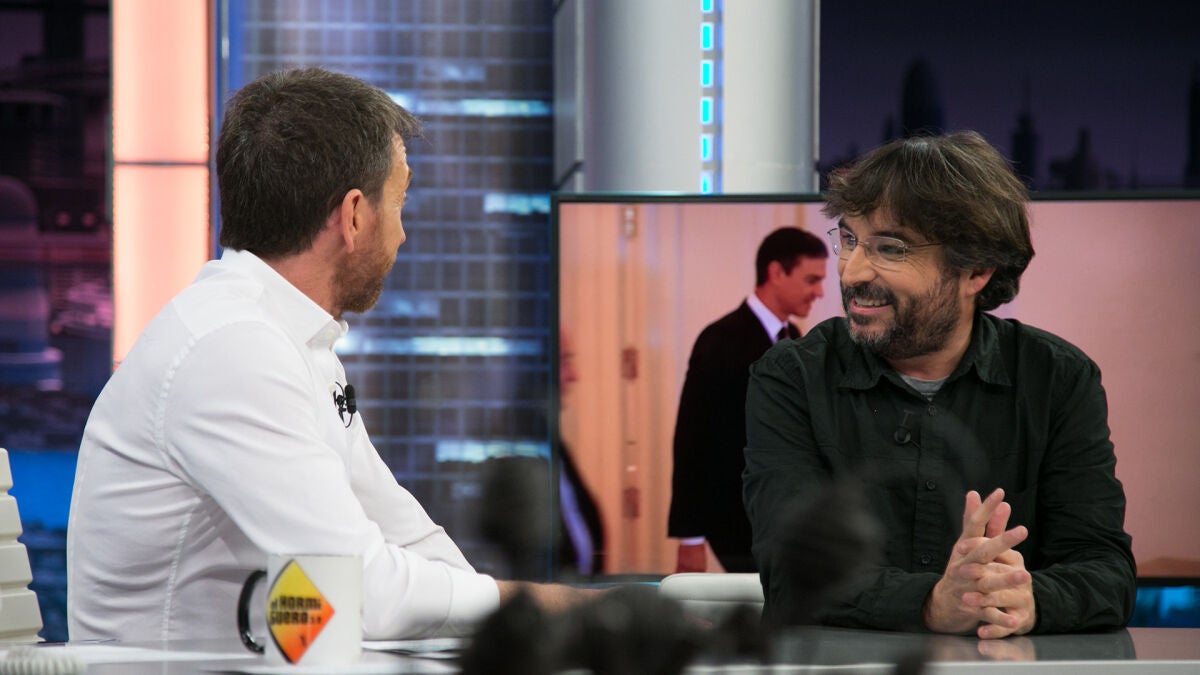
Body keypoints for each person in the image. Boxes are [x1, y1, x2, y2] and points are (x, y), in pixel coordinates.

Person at [66, 67, 583, 642]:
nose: (402, 235)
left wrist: (520, 620)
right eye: (400, 202)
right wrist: (553, 605)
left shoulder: (288, 338)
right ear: (355, 216)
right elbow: (360, 592)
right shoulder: (231, 349)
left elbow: (400, 529)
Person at [743, 131, 1136, 638]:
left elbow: (1106, 572)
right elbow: (793, 571)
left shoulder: (1058, 379)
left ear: (976, 270)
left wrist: (1030, 598)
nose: (852, 271)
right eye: (849, 240)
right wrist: (932, 604)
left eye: (890, 248)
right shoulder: (791, 378)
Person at [668, 227, 828, 573]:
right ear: (776, 272)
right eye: (811, 280)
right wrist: (690, 537)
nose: (820, 292)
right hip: (735, 518)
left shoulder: (793, 336)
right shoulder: (720, 339)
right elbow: (692, 438)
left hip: (782, 518)